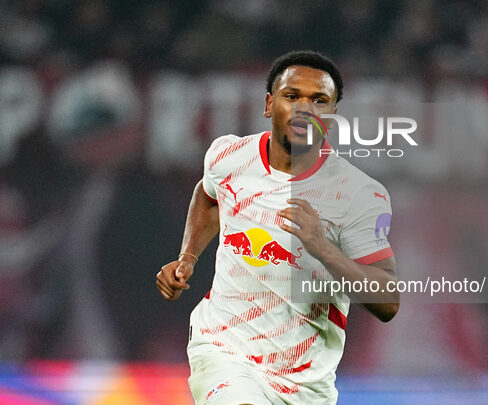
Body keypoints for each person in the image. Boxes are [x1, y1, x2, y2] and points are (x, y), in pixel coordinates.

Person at [156, 50, 399, 405]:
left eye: (318, 100)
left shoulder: (358, 194)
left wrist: (323, 248)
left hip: (305, 383)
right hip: (225, 350)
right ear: (270, 104)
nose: (304, 109)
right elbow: (208, 196)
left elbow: (387, 300)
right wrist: (188, 256)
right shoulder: (229, 156)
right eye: (292, 96)